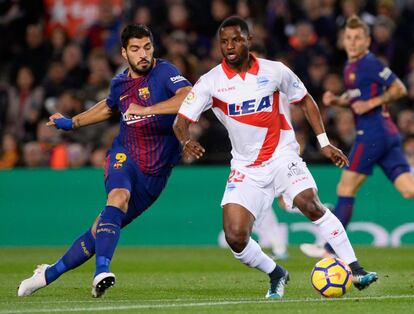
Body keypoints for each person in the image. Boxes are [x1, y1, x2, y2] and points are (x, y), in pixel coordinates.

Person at [127, 16, 377, 299]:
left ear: (249, 40)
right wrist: (186, 140)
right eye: (224, 42)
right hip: (246, 168)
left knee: (310, 203)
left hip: (282, 155)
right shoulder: (211, 82)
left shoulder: (274, 71)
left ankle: (355, 268)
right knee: (235, 237)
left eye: (235, 40)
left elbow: (305, 100)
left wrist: (323, 143)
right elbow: (181, 120)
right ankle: (276, 273)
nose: (229, 46)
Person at [17, 24, 192, 298]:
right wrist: (71, 123)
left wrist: (148, 109)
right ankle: (101, 271)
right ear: (124, 52)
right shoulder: (119, 83)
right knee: (118, 197)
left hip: (155, 175)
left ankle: (48, 274)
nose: (143, 54)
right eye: (135, 49)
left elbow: (187, 98)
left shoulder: (165, 72)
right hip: (125, 155)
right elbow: (109, 106)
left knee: (101, 227)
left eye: (147, 47)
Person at [300, 15, 414, 259]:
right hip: (387, 134)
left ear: (367, 41)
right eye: (348, 38)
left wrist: (373, 102)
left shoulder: (369, 63)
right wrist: (339, 101)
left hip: (373, 134)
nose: (352, 42)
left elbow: (399, 88)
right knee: (408, 190)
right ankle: (331, 248)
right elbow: (357, 101)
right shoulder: (350, 67)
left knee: (346, 186)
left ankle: (330, 250)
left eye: (357, 38)